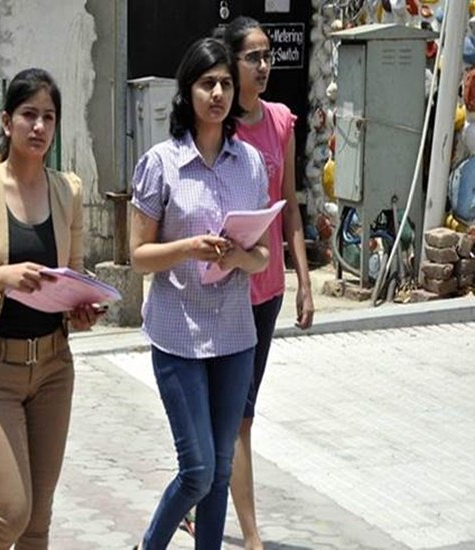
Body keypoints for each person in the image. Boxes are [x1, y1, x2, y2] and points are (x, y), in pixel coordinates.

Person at [0, 67, 101, 549]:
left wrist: (82, 310)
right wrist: (4, 276)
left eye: (48, 117)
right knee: (12, 512)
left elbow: (74, 275)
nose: (39, 127)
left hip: (54, 367)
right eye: (29, 115)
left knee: (38, 521)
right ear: (6, 121)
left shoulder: (68, 190)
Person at [129, 38, 270, 550]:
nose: (218, 94)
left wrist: (240, 258)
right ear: (187, 91)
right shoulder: (160, 163)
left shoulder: (250, 163)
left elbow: (263, 256)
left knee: (221, 468)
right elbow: (138, 256)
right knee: (198, 470)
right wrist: (188, 247)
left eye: (226, 84)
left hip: (234, 335)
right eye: (207, 83)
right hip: (178, 334)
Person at [223, 17, 315, 550]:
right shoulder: (218, 124)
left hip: (268, 290)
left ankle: (198, 500)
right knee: (235, 415)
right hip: (225, 288)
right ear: (231, 62)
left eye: (266, 56)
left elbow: (291, 208)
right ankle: (252, 535)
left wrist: (304, 282)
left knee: (240, 413)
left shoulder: (281, 121)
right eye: (252, 57)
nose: (263, 65)